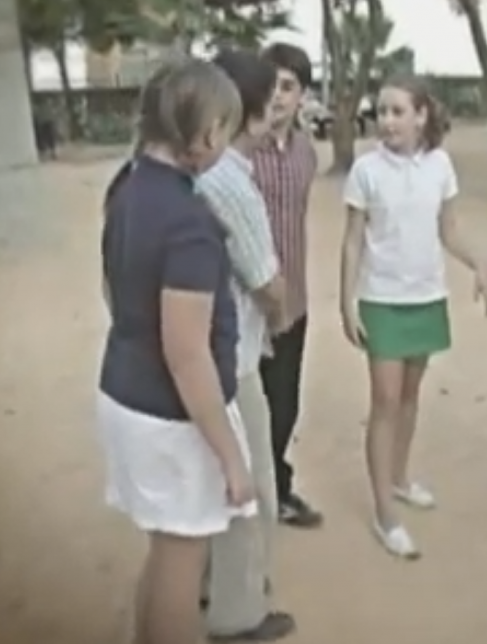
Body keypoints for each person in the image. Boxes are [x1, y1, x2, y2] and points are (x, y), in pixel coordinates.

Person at [96, 59, 255, 644]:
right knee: (182, 567)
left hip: (127, 394)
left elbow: (114, 291)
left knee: (166, 553)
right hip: (169, 417)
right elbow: (187, 353)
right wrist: (232, 457)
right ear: (207, 132)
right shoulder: (189, 221)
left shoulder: (129, 187)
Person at [338, 76, 487, 559]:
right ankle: (386, 513)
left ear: (421, 115)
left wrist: (481, 263)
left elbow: (448, 230)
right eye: (382, 112)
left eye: (397, 111)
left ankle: (400, 478)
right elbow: (352, 241)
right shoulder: (365, 171)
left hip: (426, 296)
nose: (386, 121)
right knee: (384, 401)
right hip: (381, 299)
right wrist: (346, 302)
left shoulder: (440, 166)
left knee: (408, 397)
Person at [194, 49, 296, 642]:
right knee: (250, 488)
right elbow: (265, 281)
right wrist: (280, 316)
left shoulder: (190, 169)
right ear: (250, 110)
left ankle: (209, 588)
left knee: (212, 481)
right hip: (230, 364)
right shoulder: (229, 180)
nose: (283, 102)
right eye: (275, 91)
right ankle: (238, 616)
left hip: (202, 359)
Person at [253, 43, 323, 528]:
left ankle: (277, 489)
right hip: (247, 310)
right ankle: (247, 505)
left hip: (293, 304)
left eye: (288, 86)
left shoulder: (306, 151)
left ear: (302, 95)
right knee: (247, 414)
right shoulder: (237, 152)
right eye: (270, 84)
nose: (277, 96)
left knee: (285, 407)